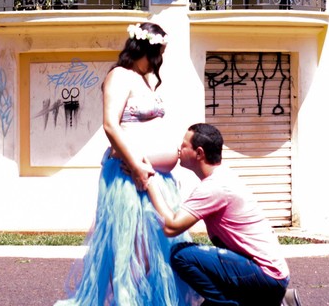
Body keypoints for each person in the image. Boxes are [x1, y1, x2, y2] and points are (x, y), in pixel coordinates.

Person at [55, 22, 194, 306]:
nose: (161, 60)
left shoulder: (144, 80)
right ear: (148, 49)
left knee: (154, 248)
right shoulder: (119, 76)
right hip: (128, 176)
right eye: (160, 53)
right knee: (128, 247)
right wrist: (137, 165)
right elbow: (110, 125)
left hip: (155, 177)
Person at [144, 122, 301, 306]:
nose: (179, 148)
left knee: (182, 255)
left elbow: (171, 227)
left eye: (184, 145)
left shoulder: (214, 187)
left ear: (199, 153)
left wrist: (149, 182)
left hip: (267, 276)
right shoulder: (222, 177)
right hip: (268, 273)